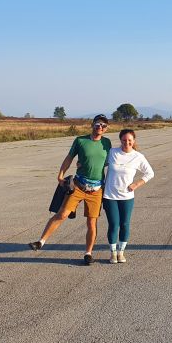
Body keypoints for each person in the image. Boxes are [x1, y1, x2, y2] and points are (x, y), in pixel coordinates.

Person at [29, 114, 112, 265]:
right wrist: (60, 175)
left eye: (104, 126)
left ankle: (88, 253)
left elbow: (108, 162)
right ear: (92, 125)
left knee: (92, 223)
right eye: (98, 124)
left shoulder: (107, 143)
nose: (100, 127)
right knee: (62, 215)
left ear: (106, 129)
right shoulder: (80, 140)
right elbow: (69, 158)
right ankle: (41, 241)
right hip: (78, 186)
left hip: (96, 190)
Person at [102, 129, 154, 263]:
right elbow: (98, 163)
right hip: (110, 196)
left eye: (129, 140)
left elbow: (150, 173)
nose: (127, 142)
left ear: (134, 141)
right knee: (114, 224)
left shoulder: (138, 157)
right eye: (124, 140)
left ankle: (121, 252)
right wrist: (81, 164)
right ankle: (113, 253)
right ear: (120, 140)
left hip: (127, 197)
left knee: (125, 224)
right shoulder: (112, 153)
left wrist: (136, 184)